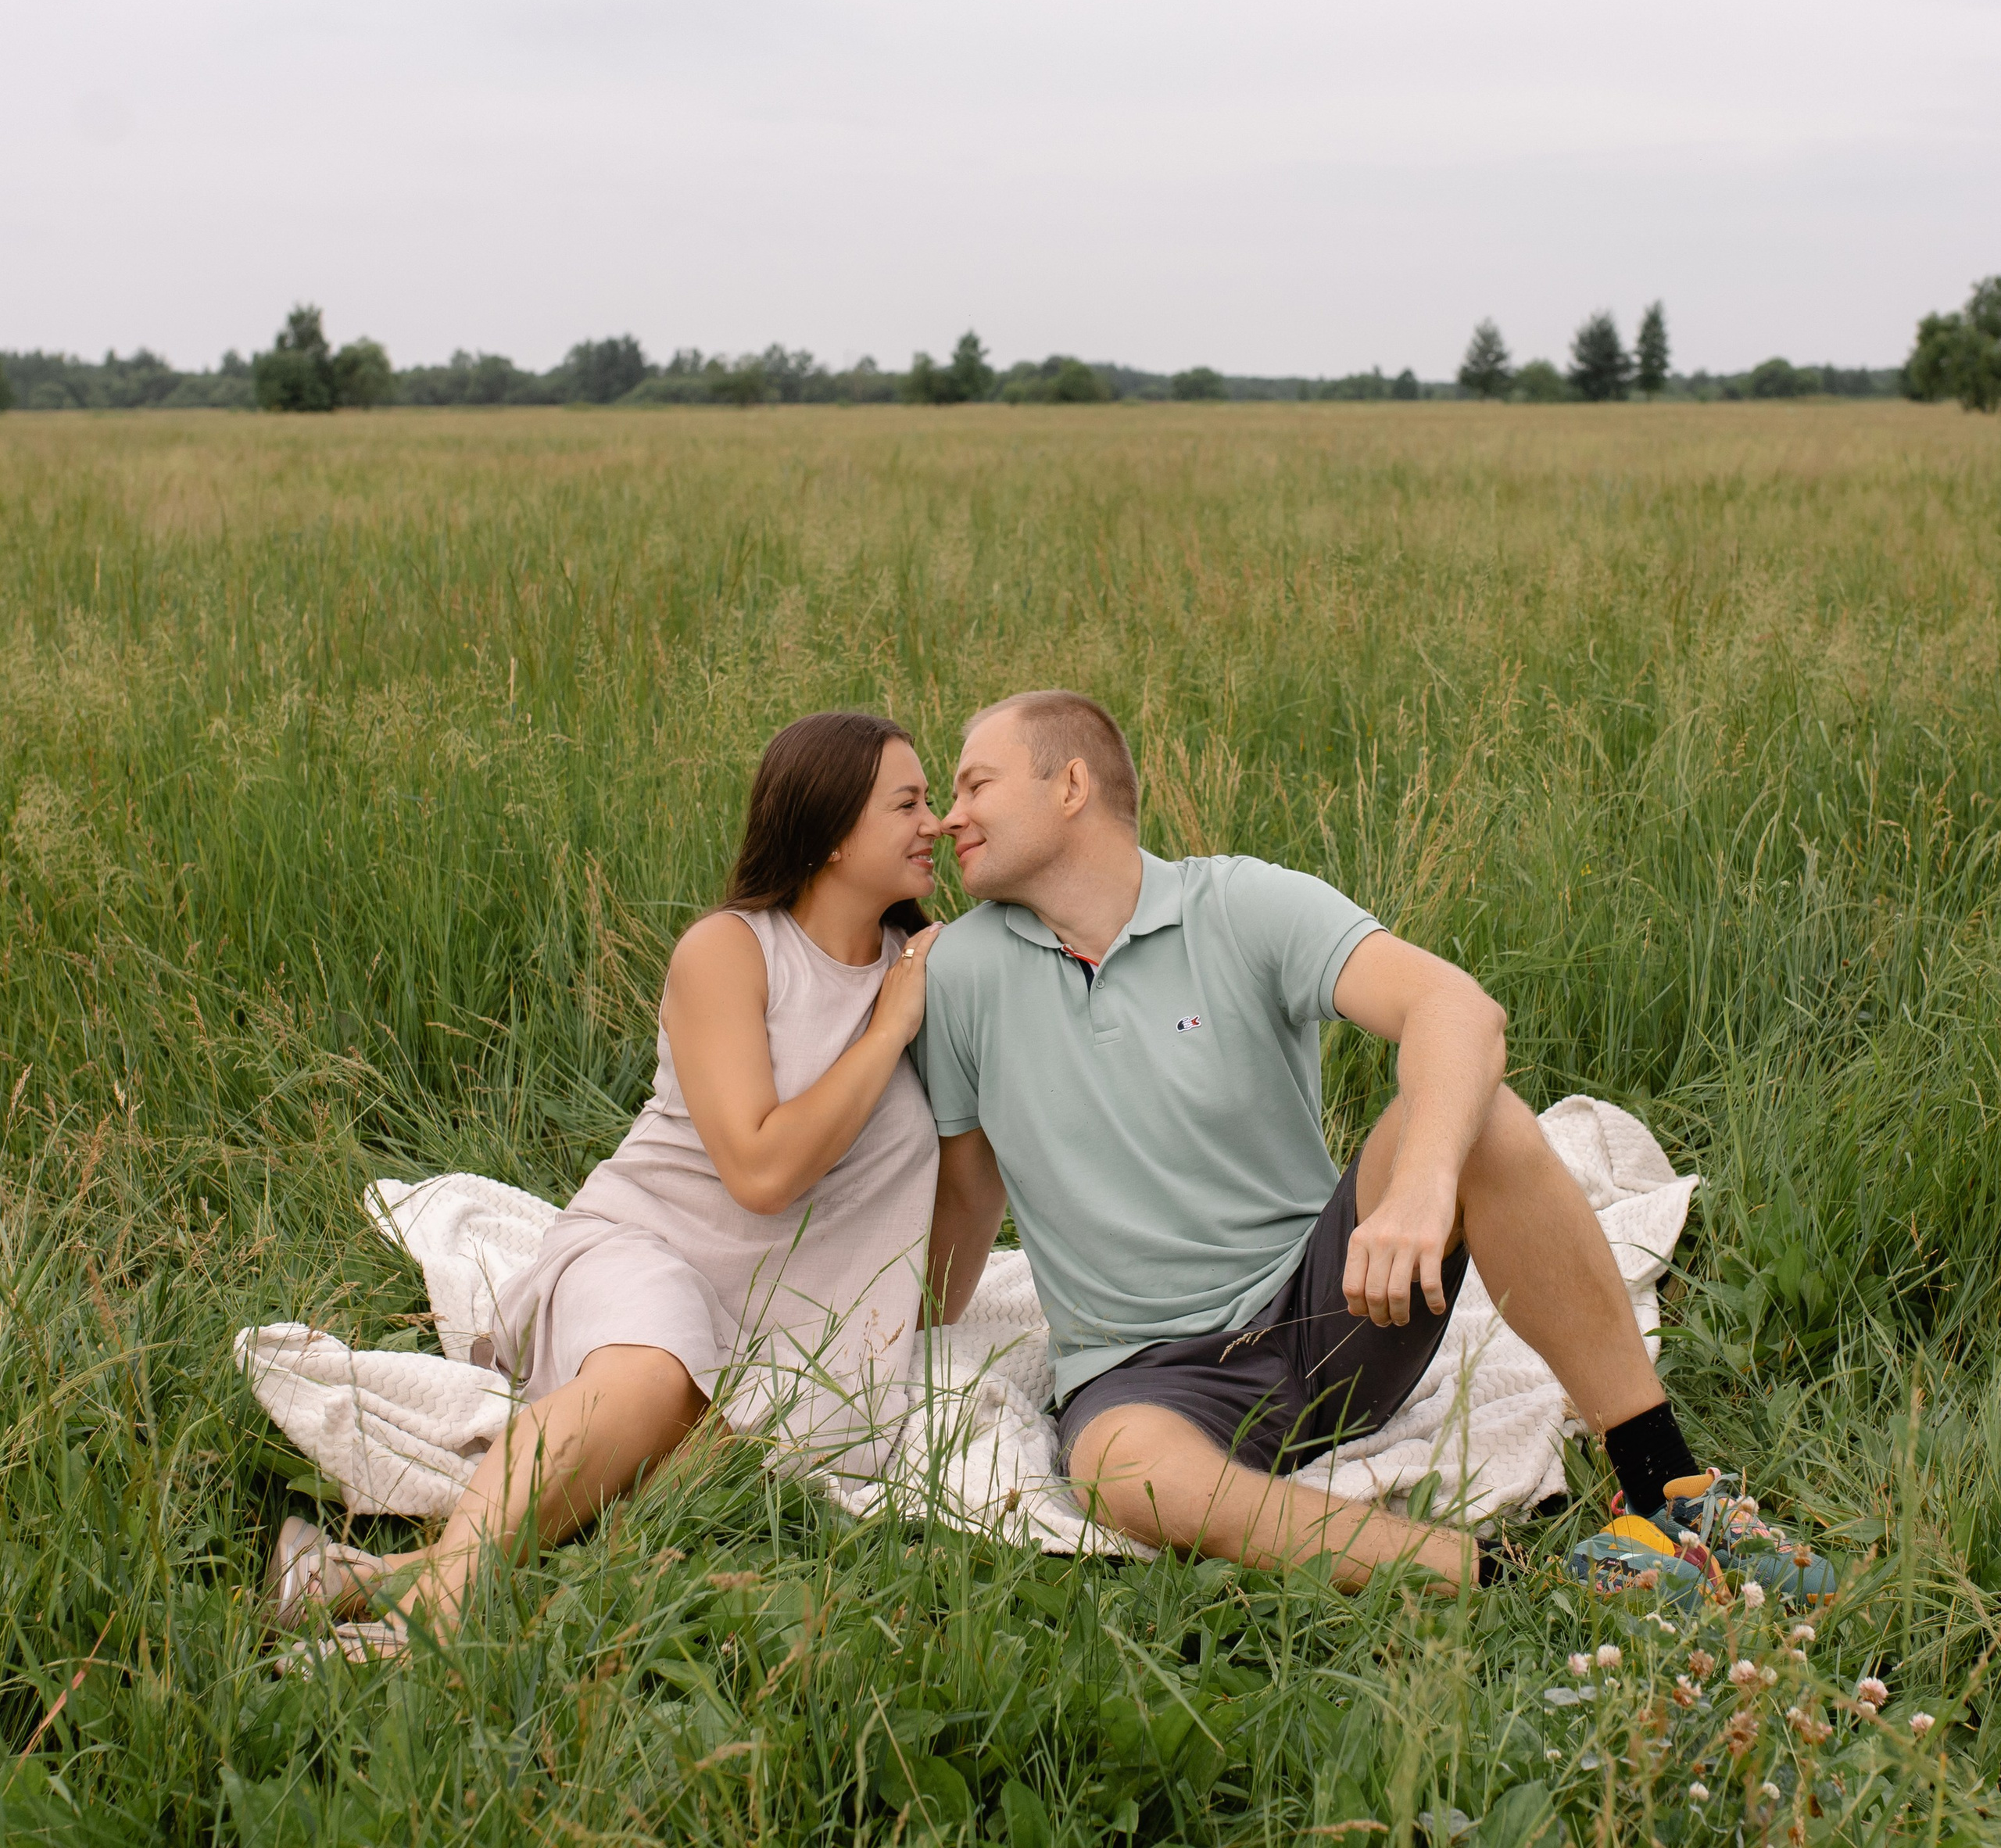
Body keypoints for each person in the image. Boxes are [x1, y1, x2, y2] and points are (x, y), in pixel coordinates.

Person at [916, 690, 1833, 1604]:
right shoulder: (959, 970)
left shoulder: (1237, 904)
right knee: (1121, 1477)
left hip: (1331, 1314)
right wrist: (906, 1333)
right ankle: (1532, 1580)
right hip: (1145, 1379)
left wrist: (1423, 1188)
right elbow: (968, 1190)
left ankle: (1669, 1489)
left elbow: (1456, 1010)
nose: (950, 815)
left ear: (1070, 783)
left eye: (975, 784)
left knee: (1485, 1116)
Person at [269, 711, 947, 1656]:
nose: (938, 822)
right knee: (652, 1371)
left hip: (784, 1318)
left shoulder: (928, 970)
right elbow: (759, 1169)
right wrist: (887, 1029)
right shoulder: (732, 949)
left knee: (689, 1457)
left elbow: (944, 1203)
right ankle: (439, 1626)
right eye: (908, 803)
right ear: (831, 830)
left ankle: (359, 1579)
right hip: (644, 1248)